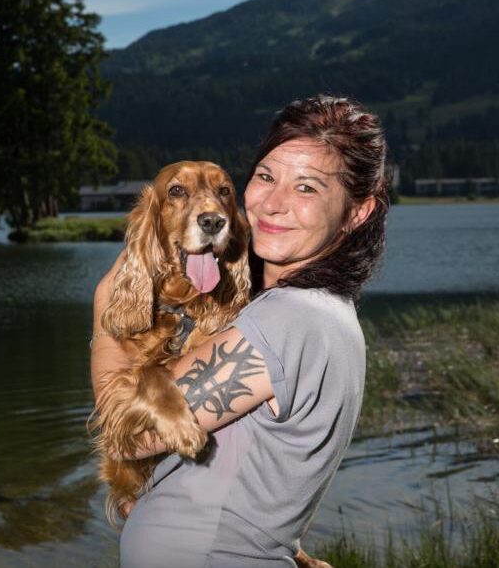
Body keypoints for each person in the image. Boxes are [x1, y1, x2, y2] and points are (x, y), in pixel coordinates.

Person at [91, 95, 390, 567]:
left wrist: (105, 309)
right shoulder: (317, 311)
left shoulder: (291, 319)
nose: (272, 203)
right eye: (266, 177)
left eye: (307, 188)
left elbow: (132, 434)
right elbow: (263, 469)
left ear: (357, 213)